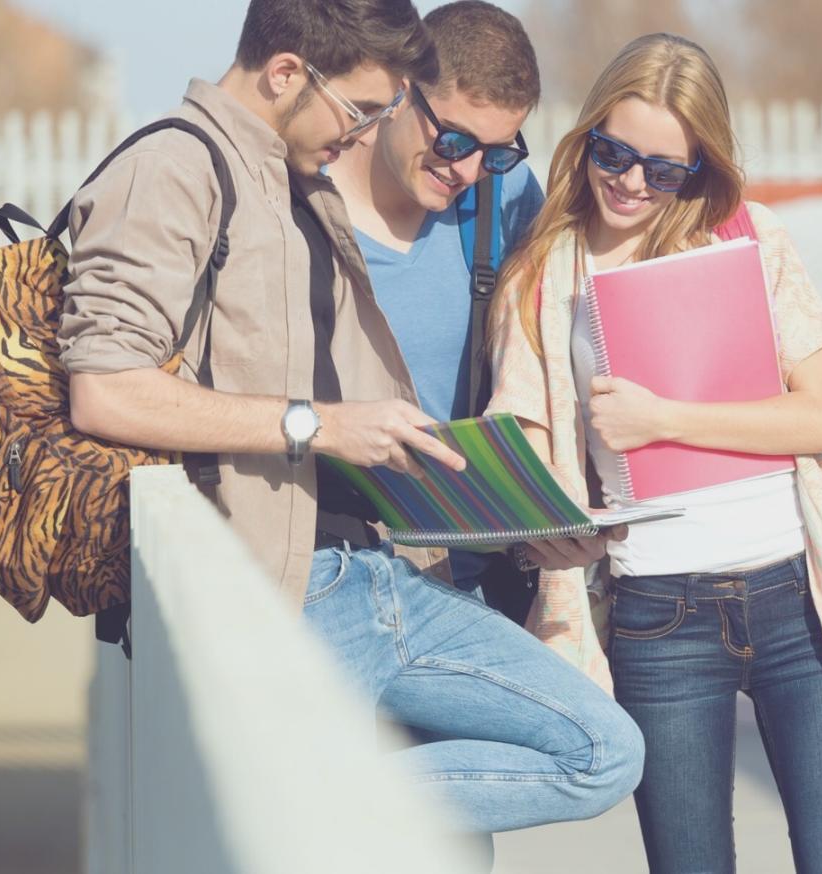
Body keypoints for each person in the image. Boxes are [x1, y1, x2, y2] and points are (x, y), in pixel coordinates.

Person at [59, 0, 642, 838]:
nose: (361, 132)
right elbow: (105, 388)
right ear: (289, 73)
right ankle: (318, 792)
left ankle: (324, 790)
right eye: (362, 110)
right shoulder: (178, 168)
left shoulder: (291, 180)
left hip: (403, 574)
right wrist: (318, 427)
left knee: (605, 751)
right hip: (292, 588)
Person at [488, 33, 822, 874]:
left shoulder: (747, 237)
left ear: (700, 168)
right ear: (587, 137)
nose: (631, 182)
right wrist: (552, 529)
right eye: (614, 153)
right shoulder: (541, 273)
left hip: (798, 601)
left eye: (664, 169)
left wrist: (664, 417)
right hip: (657, 617)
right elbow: (523, 446)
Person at [331, 0, 616, 670]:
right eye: (455, 141)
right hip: (343, 580)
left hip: (477, 588)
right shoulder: (305, 204)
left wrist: (556, 515)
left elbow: (559, 361)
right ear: (400, 90)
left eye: (497, 150)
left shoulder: (505, 195)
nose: (467, 171)